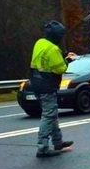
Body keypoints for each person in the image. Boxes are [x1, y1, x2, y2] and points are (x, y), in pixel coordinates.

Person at [30, 20, 76, 158]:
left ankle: (58, 141)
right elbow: (60, 68)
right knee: (49, 115)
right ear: (57, 36)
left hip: (36, 82)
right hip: (47, 85)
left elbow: (46, 61)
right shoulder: (53, 49)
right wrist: (67, 60)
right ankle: (42, 147)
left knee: (52, 113)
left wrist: (61, 56)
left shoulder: (40, 43)